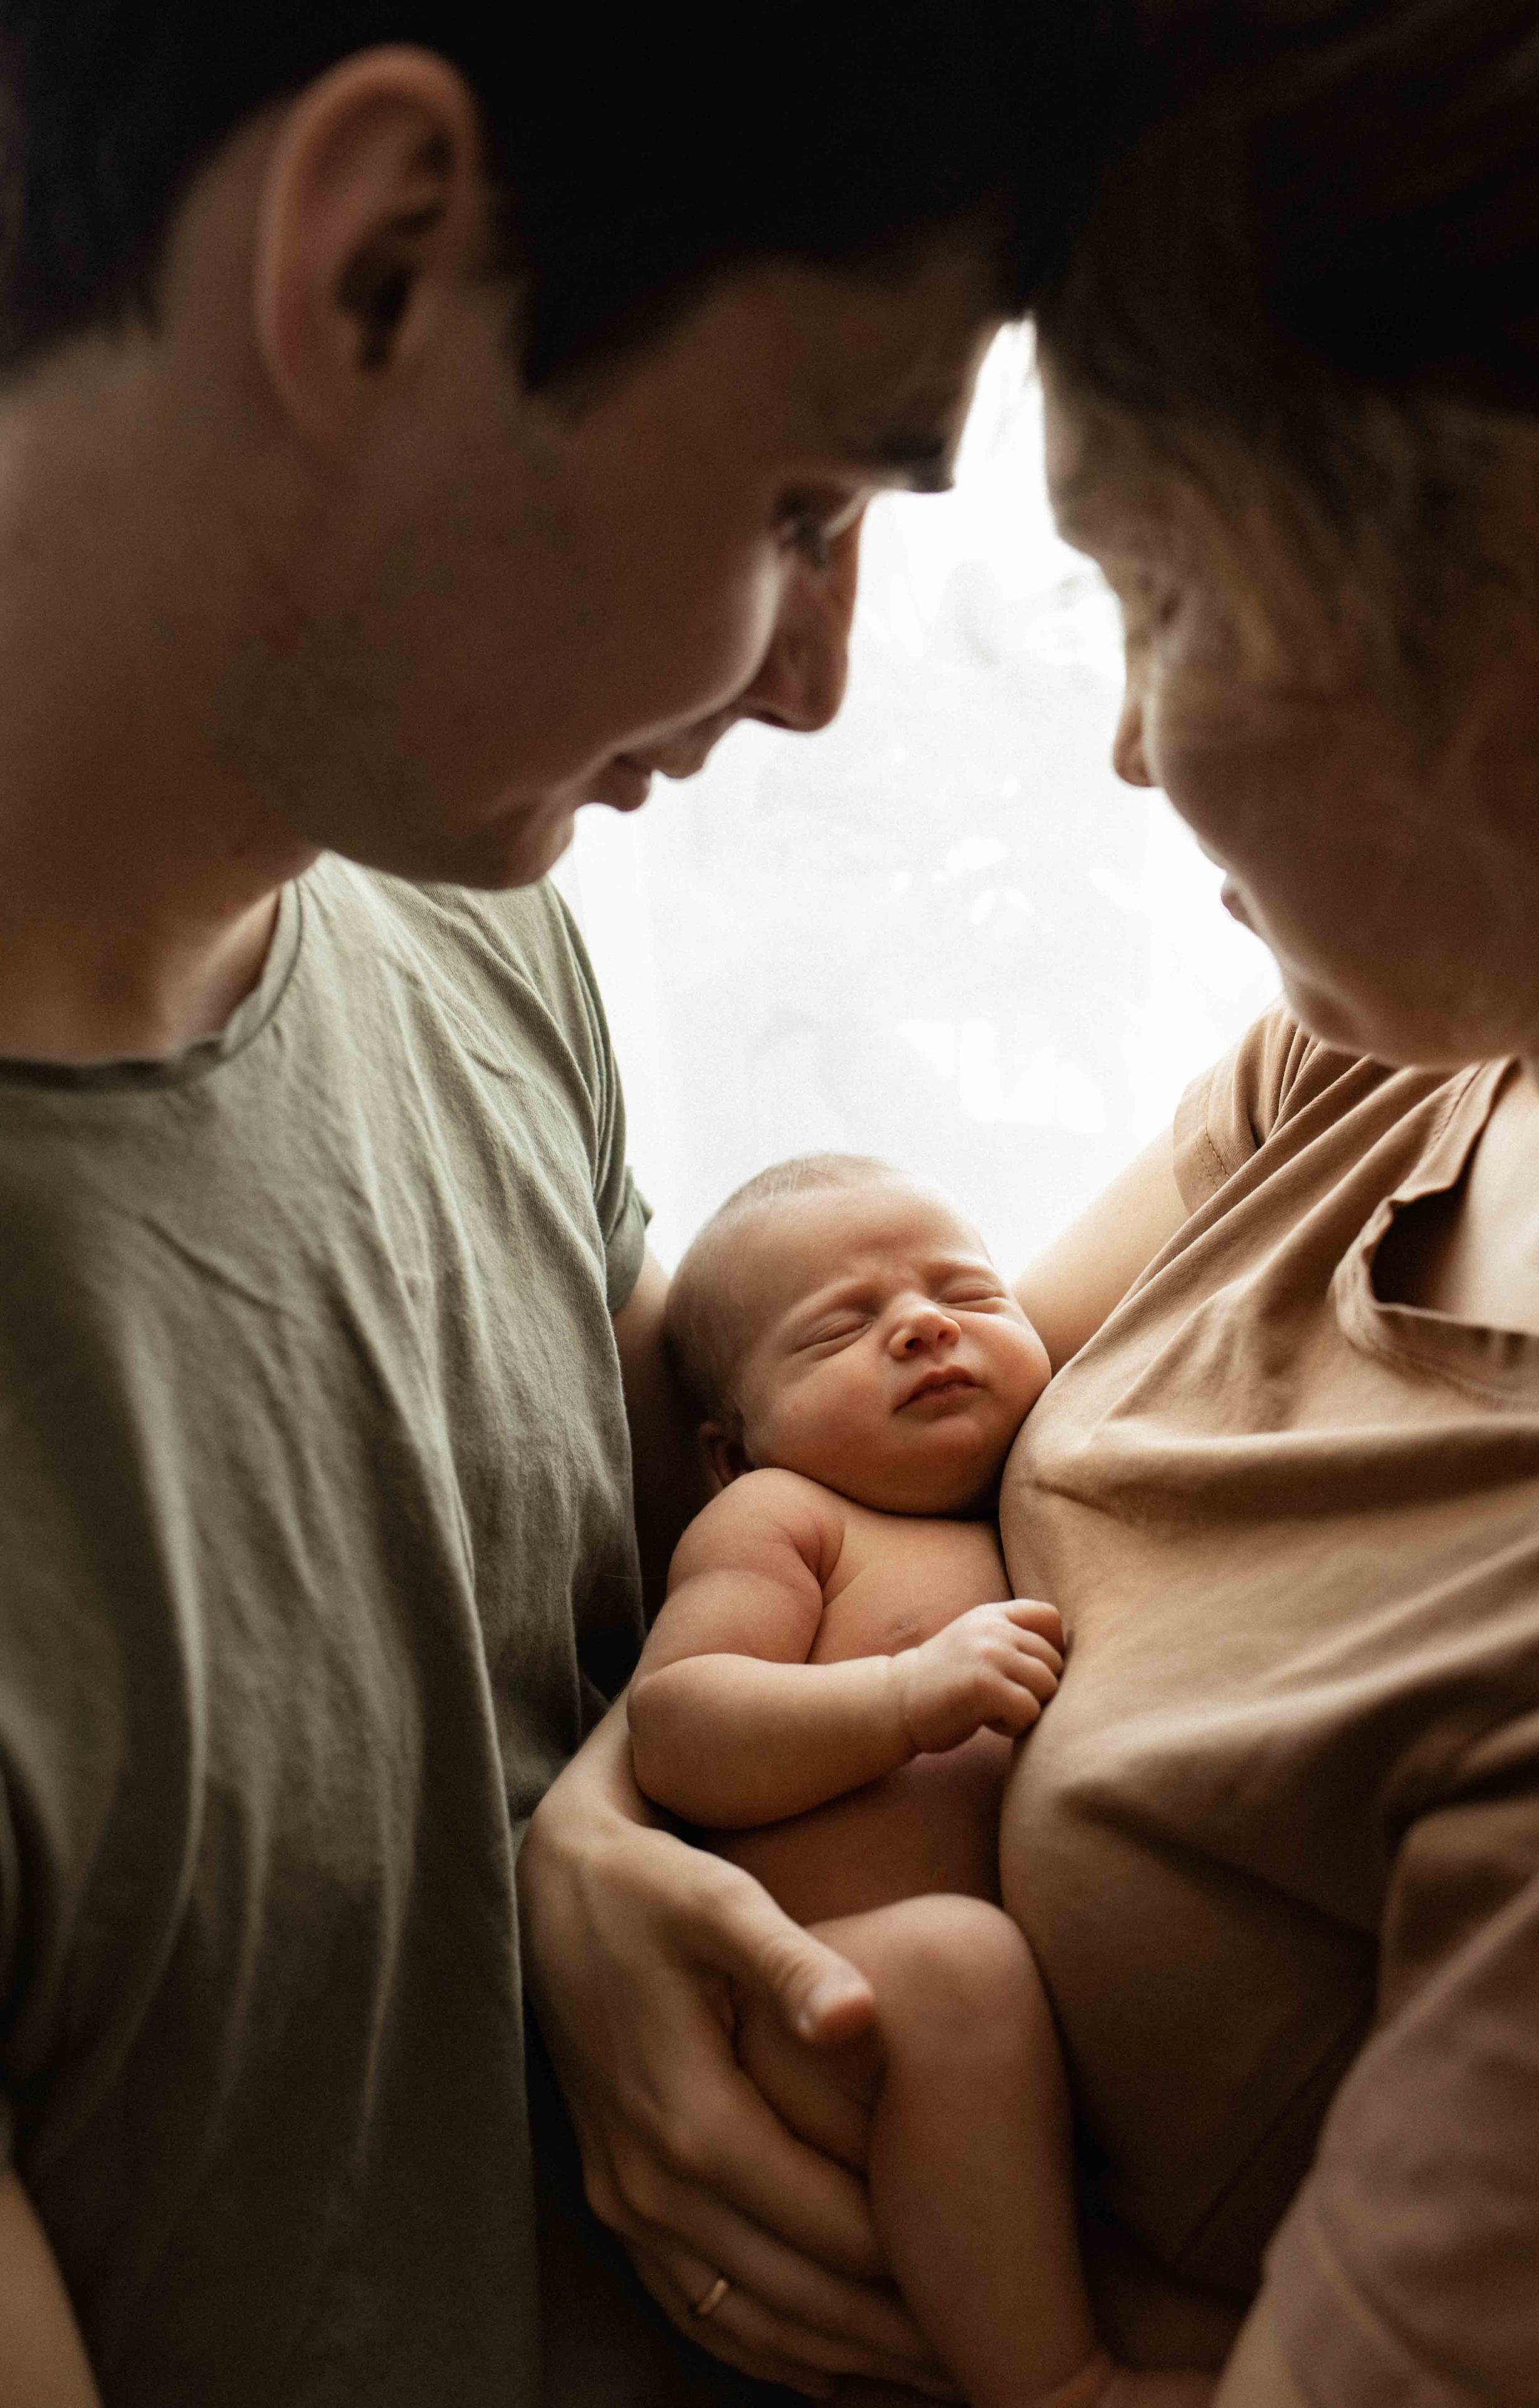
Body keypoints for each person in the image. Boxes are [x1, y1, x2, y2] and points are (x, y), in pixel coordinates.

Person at [528, 5, 1539, 2405]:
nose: (1123, 747)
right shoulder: (1377, 1068)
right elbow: (874, 1444)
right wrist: (599, 1856)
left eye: (1168, 601)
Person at [0, 8, 1076, 2402]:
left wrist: (583, 1841)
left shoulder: (482, 940)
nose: (819, 686)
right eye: (805, 506)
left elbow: (607, 1654)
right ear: (379, 262)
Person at [626, 1151, 1219, 2408]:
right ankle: (1057, 2386)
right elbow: (677, 1725)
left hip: (1002, 2081)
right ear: (730, 1451)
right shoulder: (782, 1519)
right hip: (834, 2011)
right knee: (959, 1960)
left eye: (969, 1292)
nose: (922, 1325)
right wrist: (899, 1699)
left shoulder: (1037, 1491)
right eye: (840, 1329)